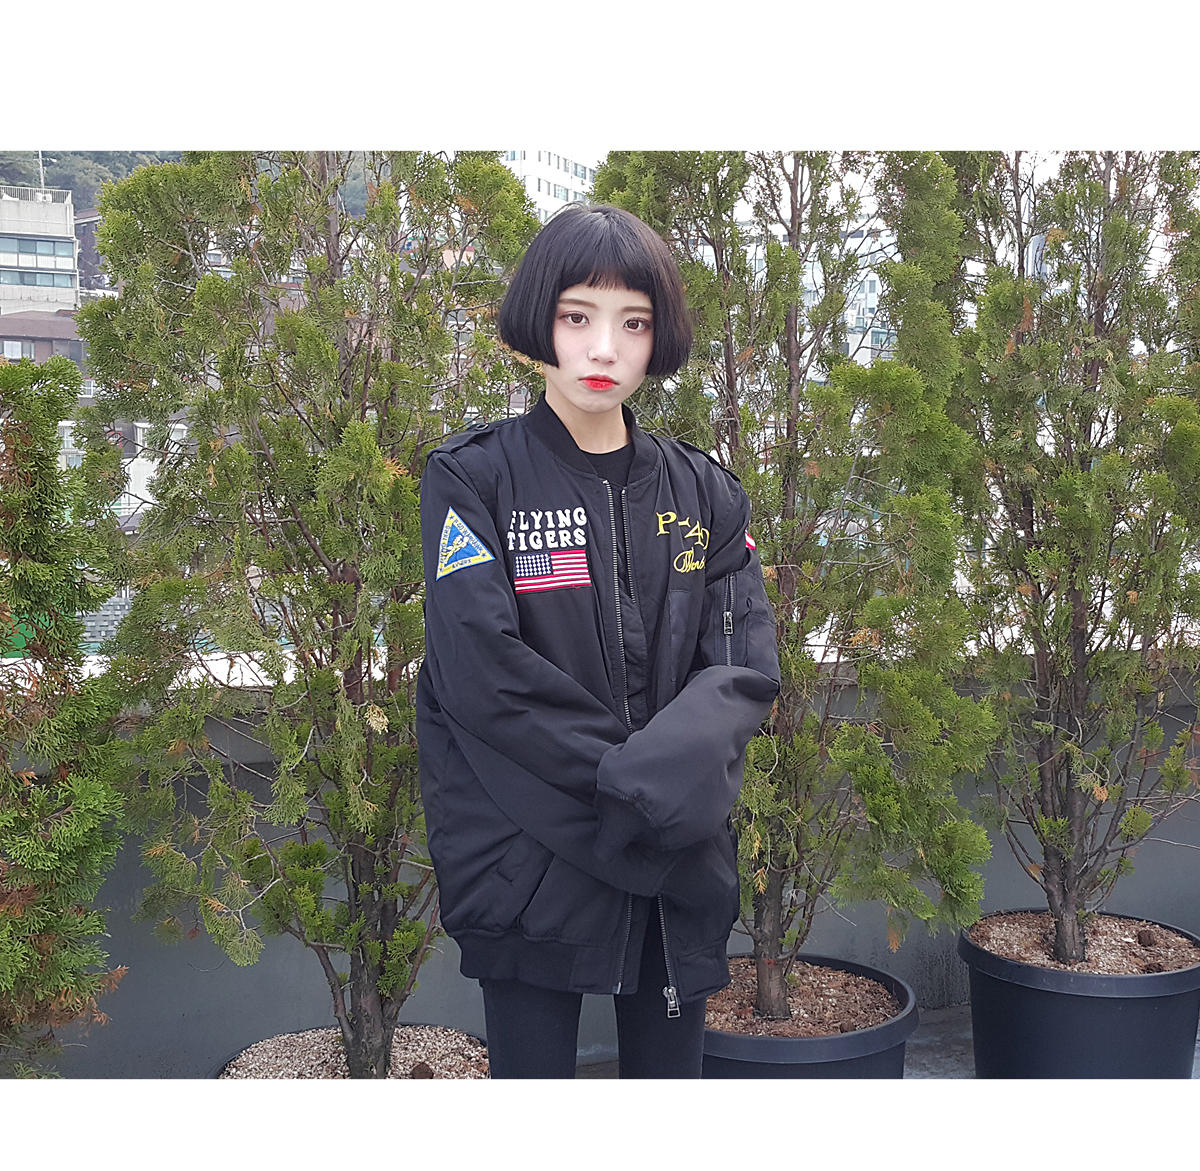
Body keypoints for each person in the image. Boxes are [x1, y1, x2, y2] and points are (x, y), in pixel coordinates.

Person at [416, 202, 780, 1078]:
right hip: (523, 860)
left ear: (659, 337)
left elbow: (741, 669)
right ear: (540, 322)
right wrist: (630, 784)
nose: (604, 348)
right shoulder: (473, 479)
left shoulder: (705, 493)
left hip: (674, 859)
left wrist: (655, 796)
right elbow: (482, 672)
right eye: (578, 317)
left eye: (634, 323)